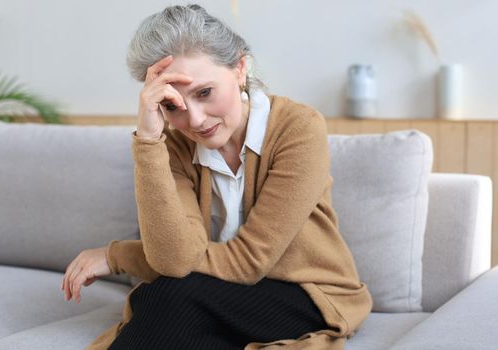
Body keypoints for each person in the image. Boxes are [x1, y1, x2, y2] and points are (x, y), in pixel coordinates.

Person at [61, 4, 372, 349]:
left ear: (239, 68)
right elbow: (172, 258)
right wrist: (149, 141)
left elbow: (249, 261)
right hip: (219, 296)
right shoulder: (175, 146)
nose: (194, 120)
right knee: (167, 307)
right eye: (172, 106)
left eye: (204, 93)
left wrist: (118, 256)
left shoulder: (298, 128)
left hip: (309, 294)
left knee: (168, 297)